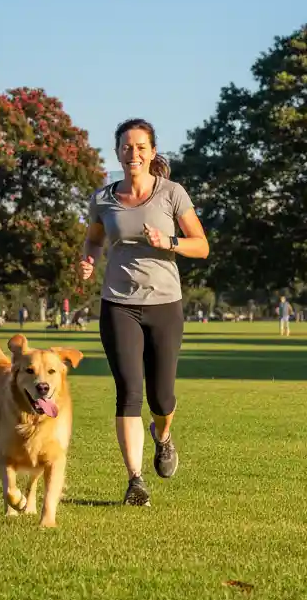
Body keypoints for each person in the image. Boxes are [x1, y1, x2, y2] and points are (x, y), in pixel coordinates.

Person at [78, 118, 209, 507]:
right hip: (118, 303)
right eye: (126, 147)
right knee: (128, 393)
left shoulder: (171, 194)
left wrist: (169, 241)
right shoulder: (103, 199)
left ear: (152, 152)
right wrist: (88, 259)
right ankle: (135, 481)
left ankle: (163, 435)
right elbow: (93, 239)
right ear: (117, 151)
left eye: (140, 147)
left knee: (162, 398)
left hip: (165, 304)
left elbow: (201, 246)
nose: (132, 153)